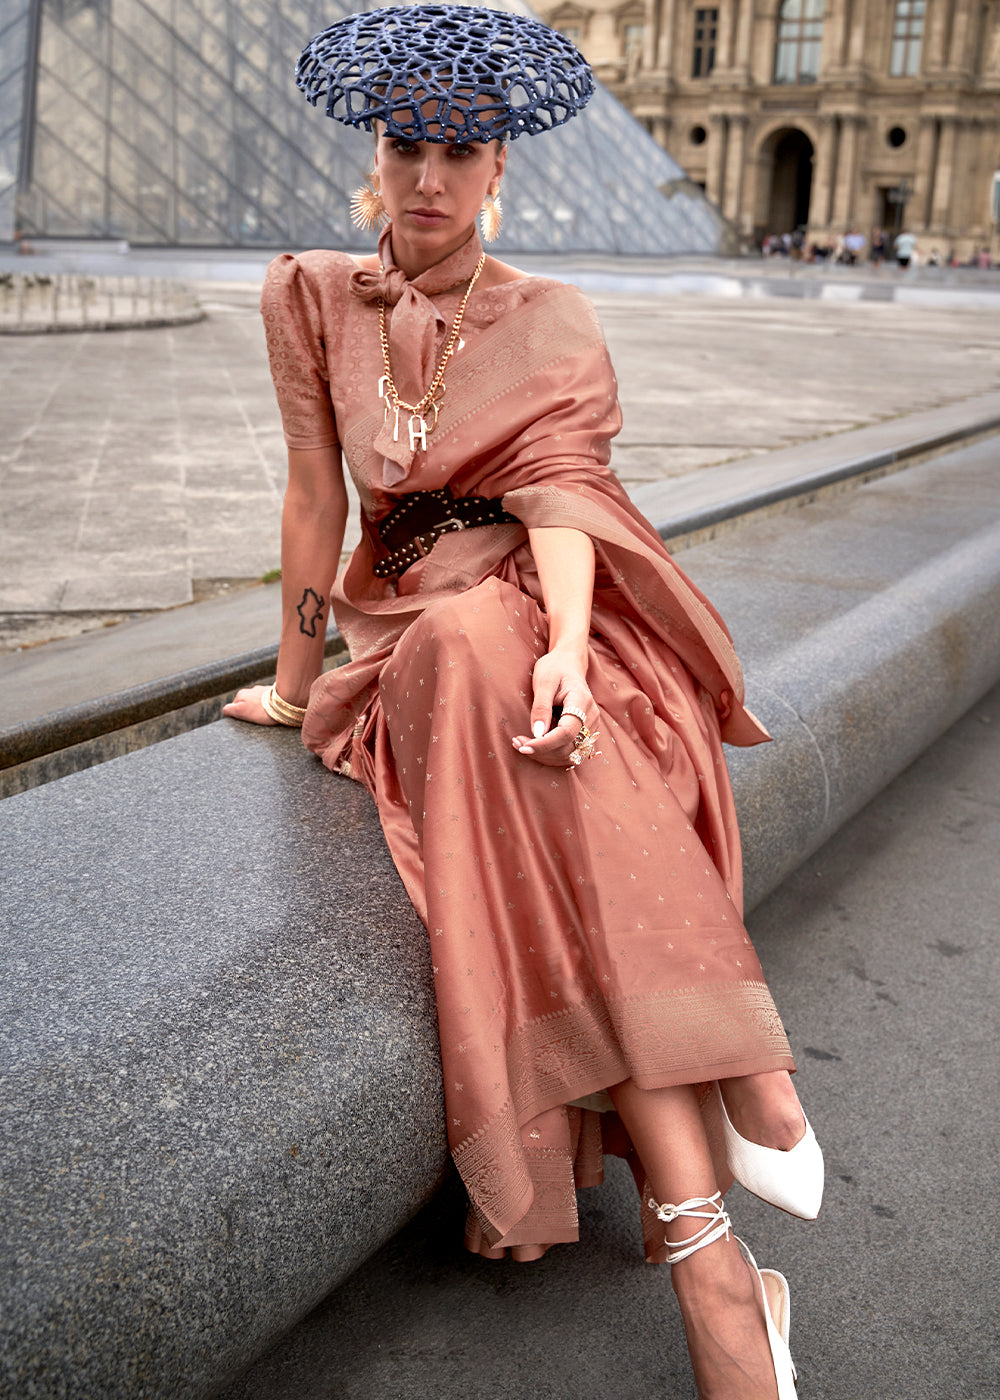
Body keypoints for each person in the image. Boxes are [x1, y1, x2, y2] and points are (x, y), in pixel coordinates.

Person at [224, 8, 822, 1396]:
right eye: (405, 144)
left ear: (503, 168)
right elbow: (317, 499)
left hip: (542, 616)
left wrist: (563, 644)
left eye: (460, 149)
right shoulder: (307, 292)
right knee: (474, 665)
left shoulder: (551, 314)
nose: (427, 176)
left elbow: (560, 487)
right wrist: (294, 677)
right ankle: (736, 1104)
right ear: (374, 158)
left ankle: (712, 1261)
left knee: (515, 677)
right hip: (401, 641)